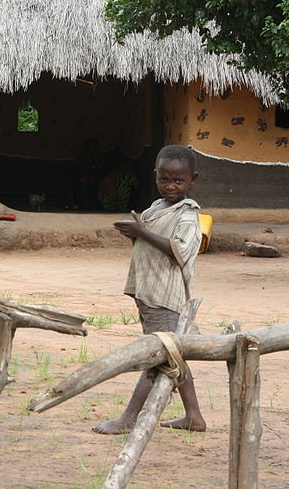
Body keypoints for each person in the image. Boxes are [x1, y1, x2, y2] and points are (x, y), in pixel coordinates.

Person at [92, 145, 206, 434]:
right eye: (164, 179)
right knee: (169, 353)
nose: (170, 186)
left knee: (156, 354)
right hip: (149, 291)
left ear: (193, 179)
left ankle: (129, 418)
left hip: (166, 296)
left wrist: (143, 232)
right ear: (154, 176)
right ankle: (193, 416)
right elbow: (149, 246)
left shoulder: (188, 215)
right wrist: (137, 234)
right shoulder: (156, 208)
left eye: (178, 181)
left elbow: (180, 251)